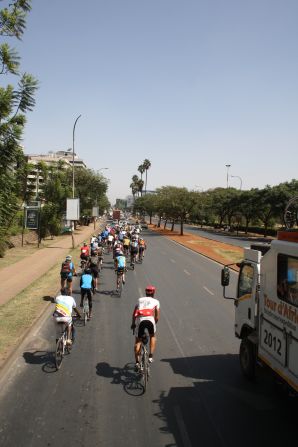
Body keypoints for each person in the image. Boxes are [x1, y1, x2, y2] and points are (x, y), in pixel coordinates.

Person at [131, 285, 160, 371]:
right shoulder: (156, 301)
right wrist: (154, 323)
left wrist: (133, 324)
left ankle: (137, 362)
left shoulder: (139, 300)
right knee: (152, 336)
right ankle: (150, 356)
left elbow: (134, 313)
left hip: (140, 320)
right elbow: (157, 317)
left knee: (138, 340)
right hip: (150, 320)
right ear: (153, 293)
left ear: (146, 292)